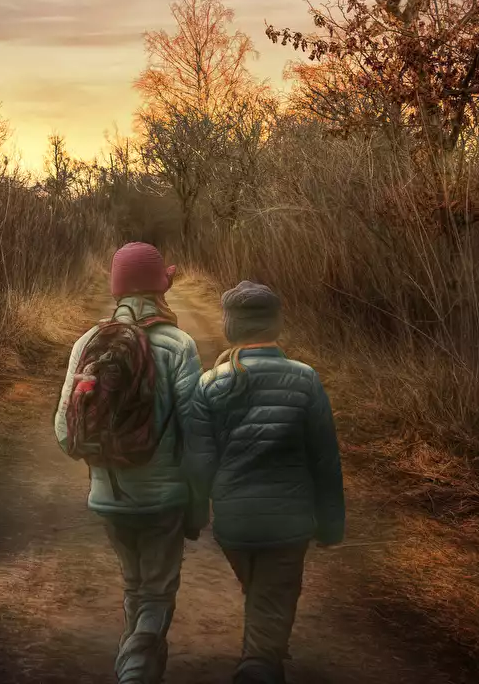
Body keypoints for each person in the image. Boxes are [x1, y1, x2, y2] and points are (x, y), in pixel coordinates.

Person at [54, 242, 212, 684]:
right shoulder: (179, 345)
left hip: (108, 497)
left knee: (134, 587)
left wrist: (106, 455)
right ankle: (135, 670)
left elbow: (64, 433)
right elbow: (197, 434)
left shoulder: (88, 343)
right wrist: (198, 503)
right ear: (161, 288)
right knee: (157, 594)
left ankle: (138, 664)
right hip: (164, 501)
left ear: (117, 290)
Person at [197, 281, 345, 684]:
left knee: (263, 592)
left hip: (233, 524)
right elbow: (325, 459)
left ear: (230, 326)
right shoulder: (306, 379)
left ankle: (263, 652)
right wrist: (331, 524)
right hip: (288, 523)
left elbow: (200, 459)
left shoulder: (210, 383)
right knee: (272, 596)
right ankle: (259, 664)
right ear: (277, 323)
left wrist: (193, 513)